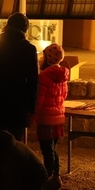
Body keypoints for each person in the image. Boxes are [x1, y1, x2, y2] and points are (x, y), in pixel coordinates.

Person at [0, 12, 38, 141]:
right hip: (17, 103)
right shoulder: (29, 48)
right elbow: (32, 81)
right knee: (14, 143)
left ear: (8, 25)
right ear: (25, 29)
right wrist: (31, 108)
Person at [34, 43, 69, 178]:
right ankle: (55, 175)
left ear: (48, 58)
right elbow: (64, 95)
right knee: (52, 149)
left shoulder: (44, 76)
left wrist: (34, 116)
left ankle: (47, 177)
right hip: (58, 116)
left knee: (47, 150)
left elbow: (40, 99)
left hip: (46, 117)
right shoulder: (63, 75)